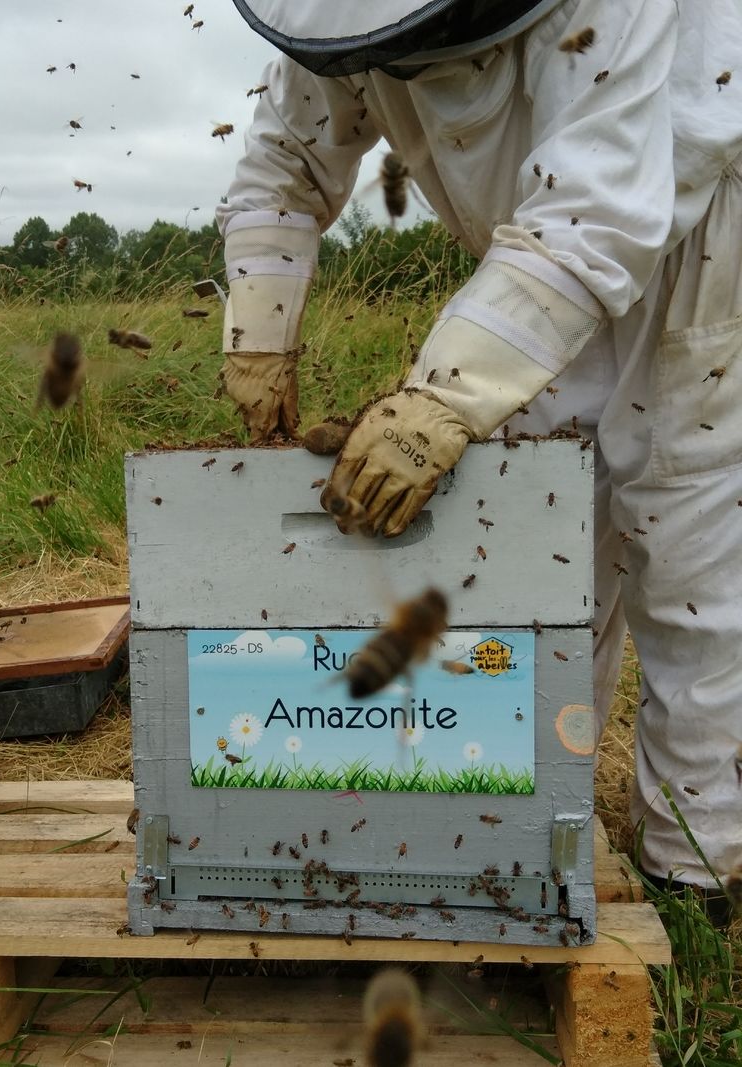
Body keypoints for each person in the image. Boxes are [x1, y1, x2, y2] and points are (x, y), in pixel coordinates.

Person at [216, 0, 742, 902]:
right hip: (531, 260)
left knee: (688, 554)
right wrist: (260, 329)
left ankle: (696, 874)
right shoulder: (344, 19)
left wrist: (442, 400)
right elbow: (284, 161)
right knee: (543, 553)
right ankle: (530, 829)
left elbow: (597, 210)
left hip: (697, 240)